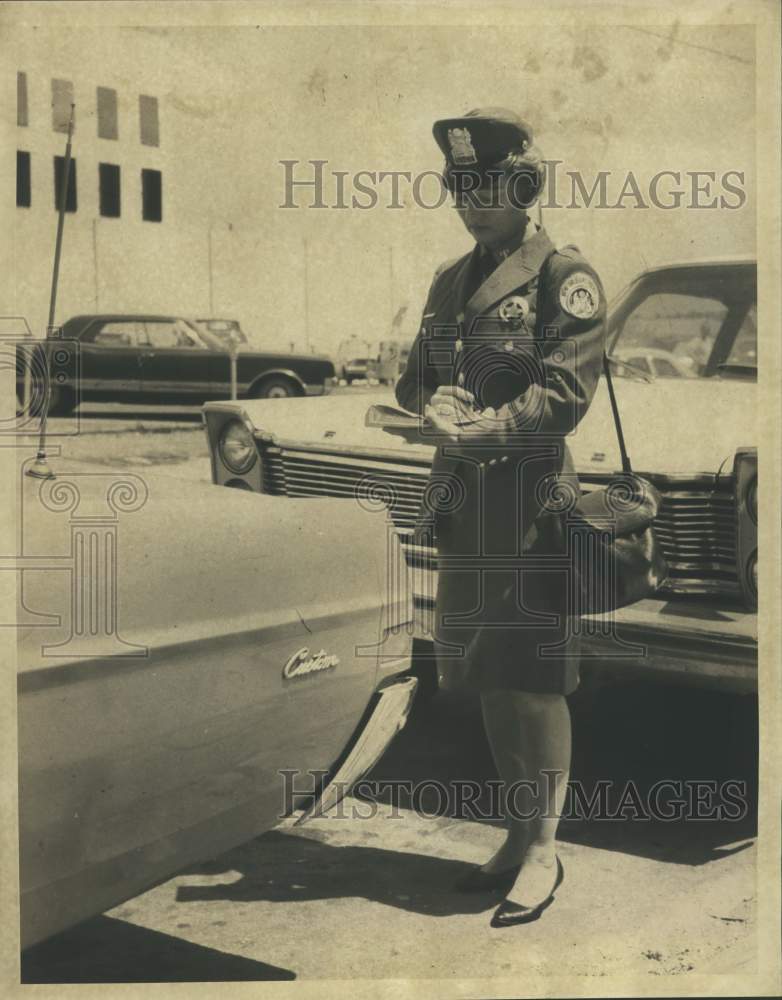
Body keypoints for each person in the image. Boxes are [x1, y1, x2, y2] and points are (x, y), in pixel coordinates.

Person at [395, 108, 606, 927]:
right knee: (484, 676)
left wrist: (479, 425)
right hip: (463, 504)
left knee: (535, 682)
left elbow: (566, 393)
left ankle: (546, 851)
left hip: (527, 504)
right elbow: (414, 379)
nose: (470, 203)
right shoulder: (451, 279)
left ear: (523, 187)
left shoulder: (563, 274)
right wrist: (431, 398)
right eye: (459, 188)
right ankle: (517, 836)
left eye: (485, 188)